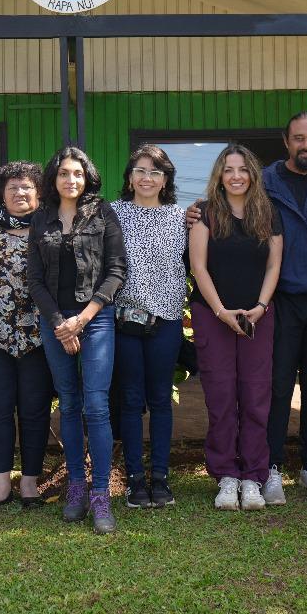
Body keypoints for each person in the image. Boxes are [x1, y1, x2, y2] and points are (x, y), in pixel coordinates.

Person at [188, 112, 307, 503]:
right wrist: (221, 310)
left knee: (295, 389)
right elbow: (202, 255)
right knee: (256, 389)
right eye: (299, 137)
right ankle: (254, 471)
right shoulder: (255, 186)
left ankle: (290, 467)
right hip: (264, 306)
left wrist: (264, 306)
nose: (306, 144)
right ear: (287, 141)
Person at [28, 147, 128, 534]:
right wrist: (60, 324)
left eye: (78, 173)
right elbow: (34, 279)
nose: (71, 180)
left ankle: (101, 493)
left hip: (97, 319)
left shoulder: (104, 214)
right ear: (53, 179)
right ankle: (76, 488)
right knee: (69, 405)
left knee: (97, 406)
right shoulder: (41, 219)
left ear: (88, 177)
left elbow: (117, 269)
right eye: (64, 173)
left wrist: (82, 319)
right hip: (55, 324)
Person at [189, 145, 282, 511]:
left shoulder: (268, 213)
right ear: (219, 175)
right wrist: (221, 311)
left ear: (253, 174)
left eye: (243, 169)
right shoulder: (206, 214)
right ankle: (227, 475)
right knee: (221, 395)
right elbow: (199, 266)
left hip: (259, 315)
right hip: (214, 315)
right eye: (228, 169)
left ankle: (254, 477)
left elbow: (274, 266)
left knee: (257, 396)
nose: (236, 176)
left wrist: (260, 306)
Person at [0, 161, 54, 513]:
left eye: (27, 187)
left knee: (34, 410)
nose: (20, 193)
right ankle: (0, 486)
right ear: (2, 195)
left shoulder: (50, 229)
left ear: (38, 193)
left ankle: (30, 484)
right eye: (12, 187)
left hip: (38, 336)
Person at [111, 144, 188, 509]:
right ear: (129, 177)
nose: (147, 178)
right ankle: (134, 481)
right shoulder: (113, 214)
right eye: (140, 170)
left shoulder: (181, 218)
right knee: (128, 400)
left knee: (160, 400)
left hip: (167, 320)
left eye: (155, 172)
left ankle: (160, 478)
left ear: (166, 179)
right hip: (125, 320)